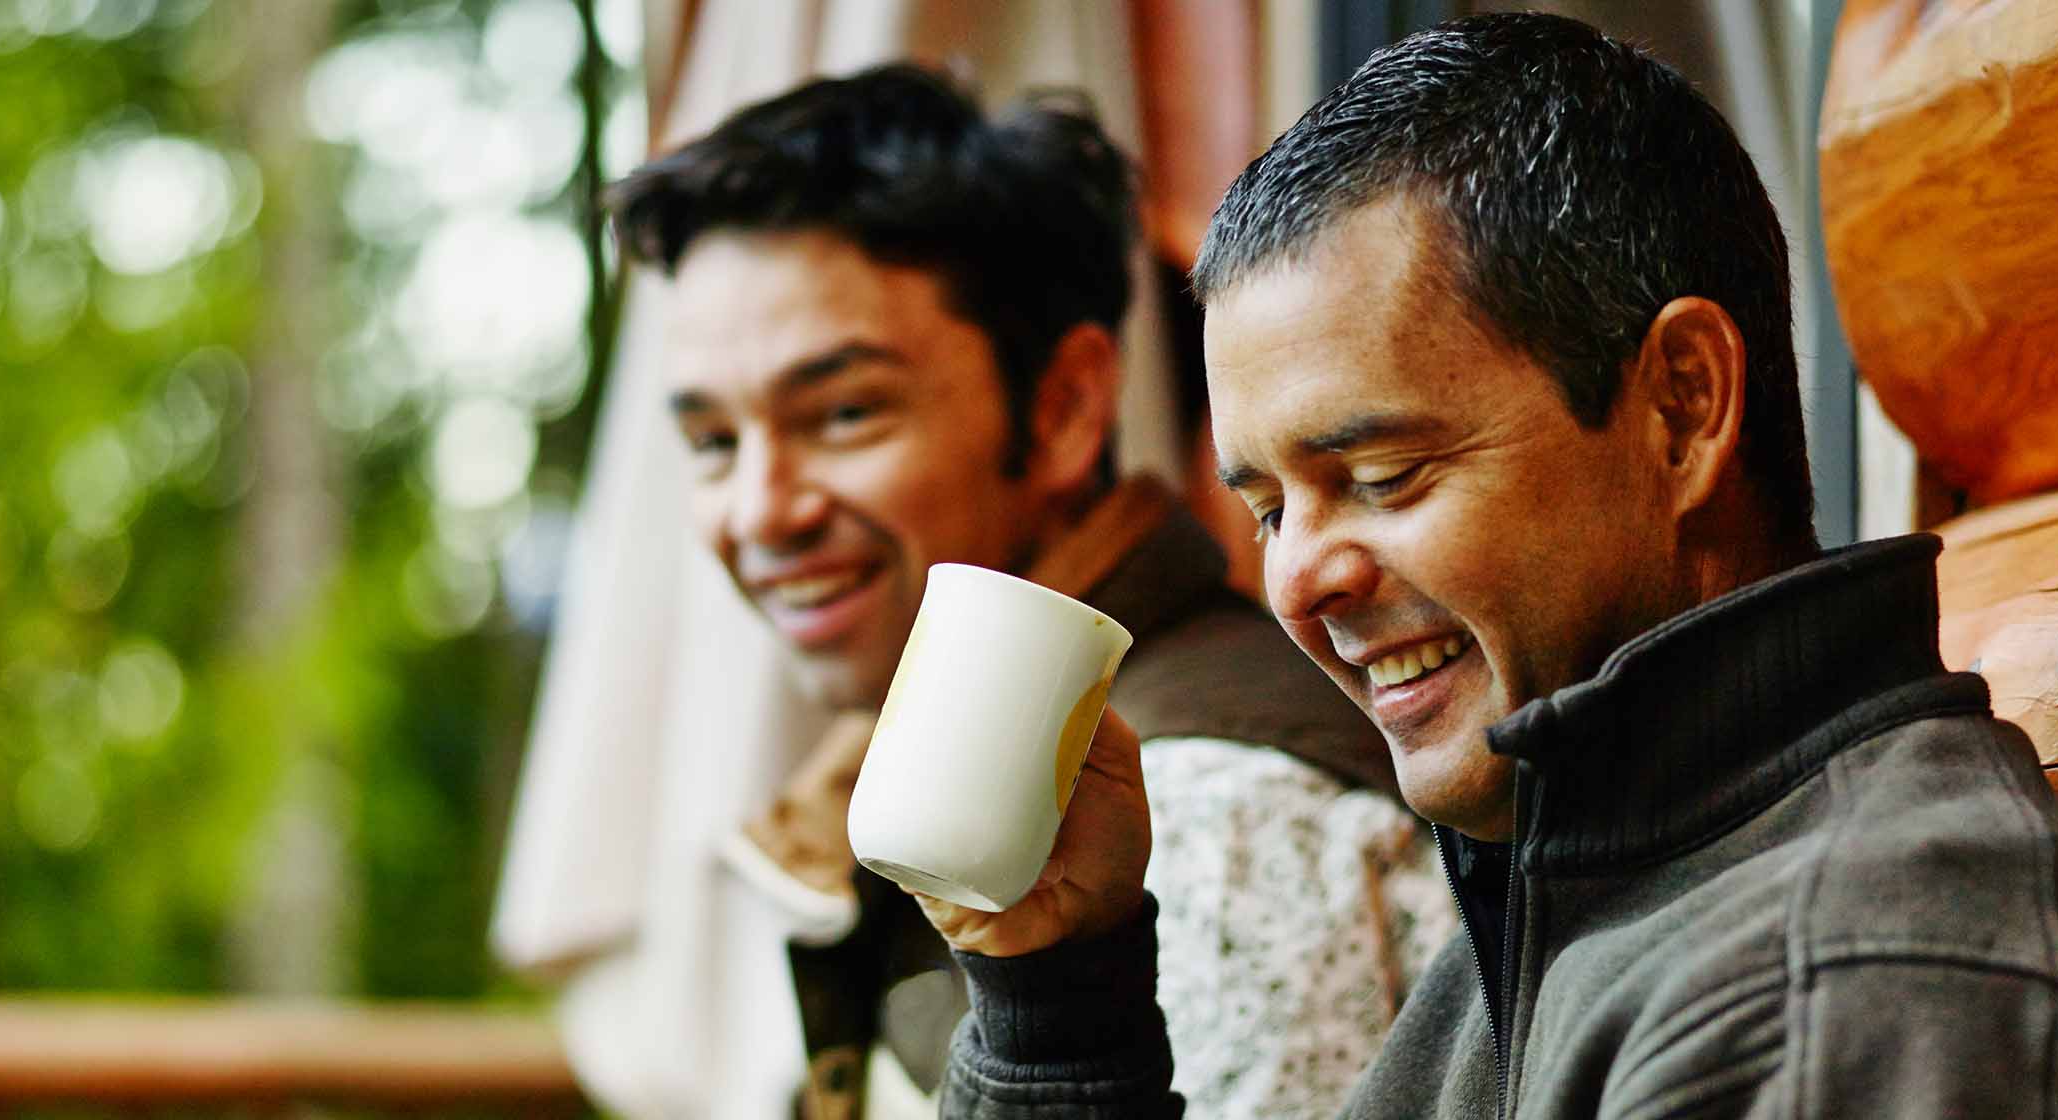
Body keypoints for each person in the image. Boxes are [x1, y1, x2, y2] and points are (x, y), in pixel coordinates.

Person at [910, 15, 2058, 1119]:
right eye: (1269, 510)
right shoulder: (1570, 881)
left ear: (1683, 407)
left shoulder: (1855, 1004)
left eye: (1383, 479)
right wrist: (1054, 1002)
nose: (1302, 580)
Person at [604, 65, 1457, 1118]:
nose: (761, 509)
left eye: (844, 414)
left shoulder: (1208, 817)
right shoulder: (951, 779)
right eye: (711, 441)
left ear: (1063, 406)